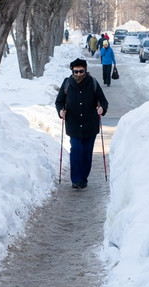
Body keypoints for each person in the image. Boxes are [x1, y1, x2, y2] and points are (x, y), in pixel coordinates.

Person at [55, 58, 108, 189]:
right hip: (73, 124)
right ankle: (76, 180)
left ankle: (83, 178)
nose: (78, 74)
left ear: (85, 70)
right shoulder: (67, 83)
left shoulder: (93, 83)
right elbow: (59, 101)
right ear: (72, 71)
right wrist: (61, 110)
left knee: (86, 153)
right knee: (76, 150)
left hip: (90, 124)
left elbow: (103, 100)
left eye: (81, 71)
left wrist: (102, 108)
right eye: (76, 71)